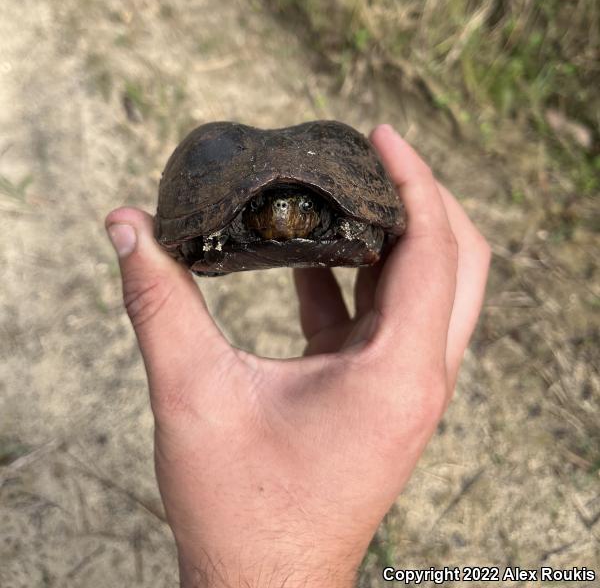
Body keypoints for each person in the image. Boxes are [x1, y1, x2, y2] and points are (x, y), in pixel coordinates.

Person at [104, 124, 491, 588]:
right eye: (271, 207)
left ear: (323, 210)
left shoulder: (350, 220)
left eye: (303, 207)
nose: (285, 215)